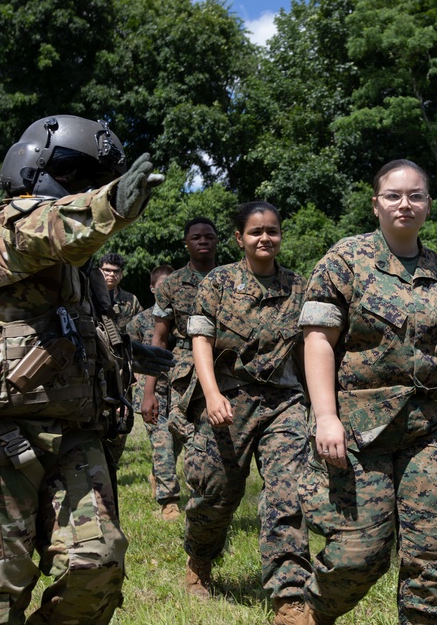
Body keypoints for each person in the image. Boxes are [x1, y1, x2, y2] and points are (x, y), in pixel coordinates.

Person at [0, 115, 171, 625]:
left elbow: (68, 328)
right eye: (82, 176)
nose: (89, 188)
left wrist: (124, 352)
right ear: (37, 167)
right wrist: (110, 204)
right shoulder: (7, 229)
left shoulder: (81, 269)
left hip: (72, 437)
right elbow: (49, 231)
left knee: (96, 568)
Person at [296, 159, 437, 625]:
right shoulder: (344, 261)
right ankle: (312, 612)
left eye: (416, 195)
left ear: (429, 204)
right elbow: (318, 342)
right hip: (357, 431)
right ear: (376, 205)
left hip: (427, 429)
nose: (404, 204)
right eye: (393, 195)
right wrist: (326, 416)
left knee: (436, 552)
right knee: (359, 553)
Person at [184, 201, 312, 625]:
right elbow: (200, 340)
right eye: (255, 231)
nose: (265, 238)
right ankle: (199, 563)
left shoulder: (299, 285)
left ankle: (289, 594)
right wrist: (212, 392)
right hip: (229, 401)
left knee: (288, 494)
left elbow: (313, 345)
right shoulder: (219, 282)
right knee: (216, 496)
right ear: (239, 238)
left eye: (272, 231)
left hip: (284, 403)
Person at [139, 217, 218, 455]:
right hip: (186, 369)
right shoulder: (171, 285)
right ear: (186, 243)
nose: (202, 241)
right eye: (196, 237)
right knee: (186, 430)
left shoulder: (234, 278)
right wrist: (149, 392)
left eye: (209, 236)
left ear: (218, 241)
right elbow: (159, 339)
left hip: (226, 361)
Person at [125, 264, 184, 521]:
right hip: (152, 391)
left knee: (176, 441)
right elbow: (128, 359)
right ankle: (169, 501)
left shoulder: (186, 319)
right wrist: (140, 390)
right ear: (152, 289)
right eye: (162, 287)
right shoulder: (138, 322)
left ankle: (158, 474)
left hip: (181, 390)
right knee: (162, 441)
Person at [99, 253, 142, 330]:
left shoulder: (131, 299)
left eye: (116, 271)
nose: (112, 274)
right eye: (107, 270)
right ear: (99, 272)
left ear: (121, 274)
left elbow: (142, 324)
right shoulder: (90, 296)